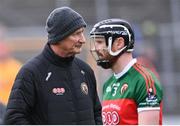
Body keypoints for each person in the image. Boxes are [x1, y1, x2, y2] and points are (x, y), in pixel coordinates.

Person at [3, 7, 102, 125]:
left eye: (82, 33)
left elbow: (97, 113)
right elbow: (13, 120)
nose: (83, 40)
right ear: (60, 36)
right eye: (76, 34)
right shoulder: (31, 72)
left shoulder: (85, 70)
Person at [89, 18, 163, 125]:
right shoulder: (108, 84)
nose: (96, 48)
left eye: (100, 42)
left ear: (119, 43)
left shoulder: (143, 80)